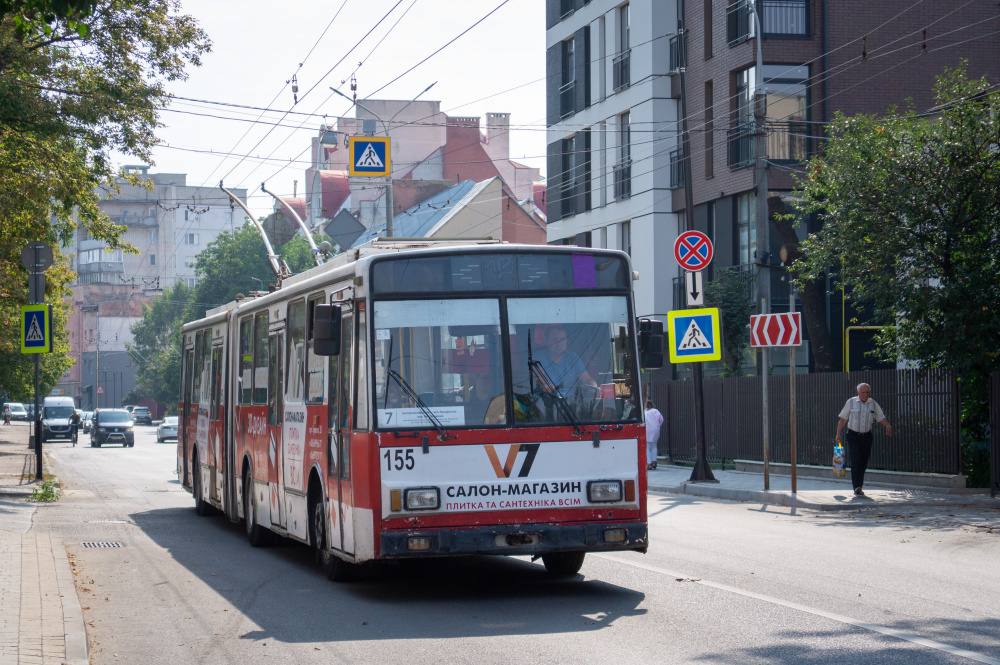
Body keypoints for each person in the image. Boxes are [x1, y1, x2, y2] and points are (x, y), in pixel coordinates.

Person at [835, 382, 892, 496]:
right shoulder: (851, 402)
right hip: (853, 436)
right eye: (863, 392)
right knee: (856, 460)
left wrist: (888, 426)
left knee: (864, 461)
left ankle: (859, 484)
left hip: (866, 436)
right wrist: (838, 434)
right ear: (858, 392)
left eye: (867, 392)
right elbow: (842, 419)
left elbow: (881, 417)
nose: (865, 395)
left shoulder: (873, 404)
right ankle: (857, 486)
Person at [536, 326, 597, 393]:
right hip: (548, 401)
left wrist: (594, 387)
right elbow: (540, 381)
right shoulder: (538, 358)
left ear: (566, 341)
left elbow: (586, 379)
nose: (559, 343)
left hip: (571, 402)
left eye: (562, 339)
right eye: (554, 339)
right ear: (547, 341)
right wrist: (547, 387)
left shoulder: (573, 357)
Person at [644, 400, 664, 470]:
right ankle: (654, 462)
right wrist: (658, 425)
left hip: (647, 430)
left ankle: (649, 463)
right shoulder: (655, 411)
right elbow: (661, 419)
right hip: (656, 429)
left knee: (648, 447)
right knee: (654, 446)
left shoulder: (644, 413)